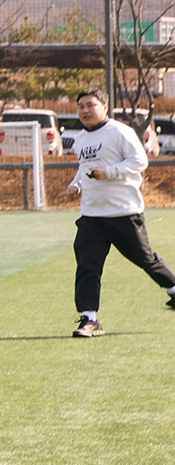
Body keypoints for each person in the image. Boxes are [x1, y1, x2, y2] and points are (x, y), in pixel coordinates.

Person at [66, 89, 175, 337]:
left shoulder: (120, 131)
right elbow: (84, 169)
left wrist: (109, 172)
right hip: (92, 217)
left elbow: (139, 162)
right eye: (80, 106)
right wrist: (76, 185)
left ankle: (173, 289)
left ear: (105, 106)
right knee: (87, 266)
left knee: (145, 259)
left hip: (124, 214)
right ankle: (89, 319)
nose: (84, 110)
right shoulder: (80, 139)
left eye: (90, 105)